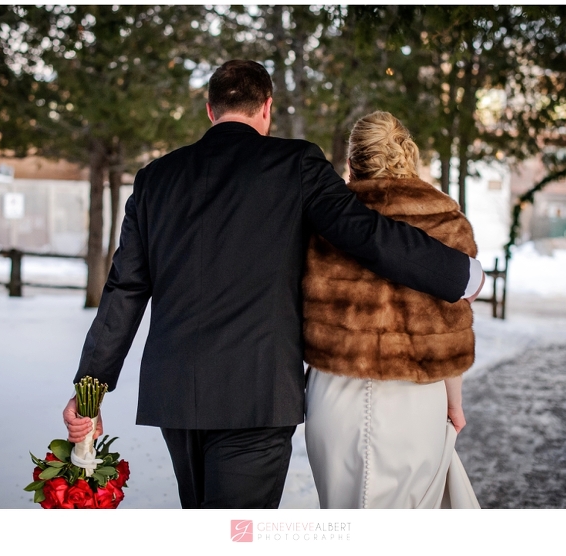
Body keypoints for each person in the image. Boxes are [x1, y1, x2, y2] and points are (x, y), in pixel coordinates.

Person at [63, 61, 485, 509]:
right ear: (267, 108)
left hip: (178, 396)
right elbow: (365, 233)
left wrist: (89, 389)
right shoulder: (296, 163)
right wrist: (459, 273)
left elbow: (124, 291)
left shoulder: (154, 179)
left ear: (210, 110)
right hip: (257, 396)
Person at [303, 111, 482, 508]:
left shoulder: (323, 217)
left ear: (351, 161)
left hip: (334, 394)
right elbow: (452, 324)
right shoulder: (444, 217)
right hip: (416, 398)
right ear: (407, 154)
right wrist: (454, 402)